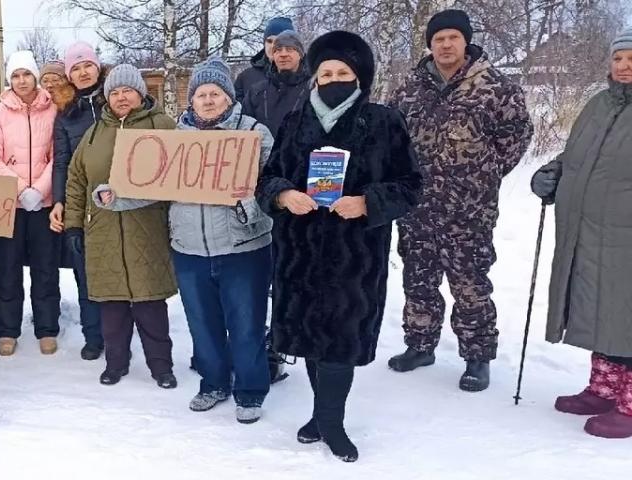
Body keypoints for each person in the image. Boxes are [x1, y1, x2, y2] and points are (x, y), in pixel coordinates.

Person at [257, 31, 421, 462]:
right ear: (314, 77)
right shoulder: (295, 122)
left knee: (340, 338)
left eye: (342, 72)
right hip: (300, 251)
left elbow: (410, 185)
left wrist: (368, 201)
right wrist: (282, 195)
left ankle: (331, 421)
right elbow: (269, 177)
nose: (333, 78)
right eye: (326, 72)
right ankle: (319, 414)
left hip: (355, 254)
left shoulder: (384, 121)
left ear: (359, 77)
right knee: (310, 338)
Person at [95, 57, 276, 420]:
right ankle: (213, 383)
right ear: (191, 100)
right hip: (190, 249)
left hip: (243, 248)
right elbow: (150, 185)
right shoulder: (175, 140)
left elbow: (274, 190)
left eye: (215, 93)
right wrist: (115, 196)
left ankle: (250, 391)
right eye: (201, 95)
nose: (208, 100)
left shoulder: (254, 134)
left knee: (246, 324)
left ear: (229, 97)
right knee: (202, 323)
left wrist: (249, 207)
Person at [387, 9, 534, 392]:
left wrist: (483, 172)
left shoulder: (495, 86)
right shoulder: (408, 88)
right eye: (438, 39)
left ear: (465, 41)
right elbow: (391, 138)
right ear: (430, 44)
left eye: (453, 37)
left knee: (469, 282)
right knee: (418, 278)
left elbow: (516, 134)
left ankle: (477, 356)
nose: (446, 45)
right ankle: (420, 345)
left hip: (469, 209)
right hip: (417, 206)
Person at [530, 28, 632, 439]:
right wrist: (554, 172)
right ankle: (604, 389)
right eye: (619, 59)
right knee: (600, 305)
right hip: (589, 230)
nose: (625, 67)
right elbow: (577, 153)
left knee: (627, 311)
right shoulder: (598, 104)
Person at [64, 64, 178, 388]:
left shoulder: (164, 126)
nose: (121, 97)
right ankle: (116, 363)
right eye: (114, 92)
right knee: (111, 306)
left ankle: (161, 366)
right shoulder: (95, 133)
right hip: (103, 230)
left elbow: (181, 176)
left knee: (150, 303)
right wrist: (74, 225)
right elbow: (76, 180)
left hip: (148, 228)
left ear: (140, 93)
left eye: (127, 90)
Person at [0, 51, 61, 356]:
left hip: (43, 204)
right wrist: (18, 188)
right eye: (15, 76)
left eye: (26, 74)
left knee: (45, 268)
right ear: (9, 80)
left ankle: (47, 328)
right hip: (9, 205)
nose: (21, 81)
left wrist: (39, 190)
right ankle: (8, 329)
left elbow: (59, 156)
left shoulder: (52, 109)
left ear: (35, 76)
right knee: (8, 268)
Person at [50, 41, 107, 361]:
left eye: (87, 65)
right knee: (85, 273)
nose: (83, 72)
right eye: (76, 68)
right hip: (82, 205)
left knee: (117, 273)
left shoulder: (116, 99)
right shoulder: (66, 113)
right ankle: (93, 335)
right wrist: (59, 201)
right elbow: (61, 160)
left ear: (97, 67)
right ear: (69, 74)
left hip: (120, 203)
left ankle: (118, 334)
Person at [242, 29, 311, 136]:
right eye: (278, 50)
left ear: (300, 54)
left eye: (289, 49)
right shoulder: (257, 92)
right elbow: (243, 128)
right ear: (273, 56)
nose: (283, 54)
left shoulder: (314, 89)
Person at [233, 16, 294, 104]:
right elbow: (235, 113)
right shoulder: (246, 78)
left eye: (279, 41)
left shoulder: (307, 76)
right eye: (269, 41)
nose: (273, 46)